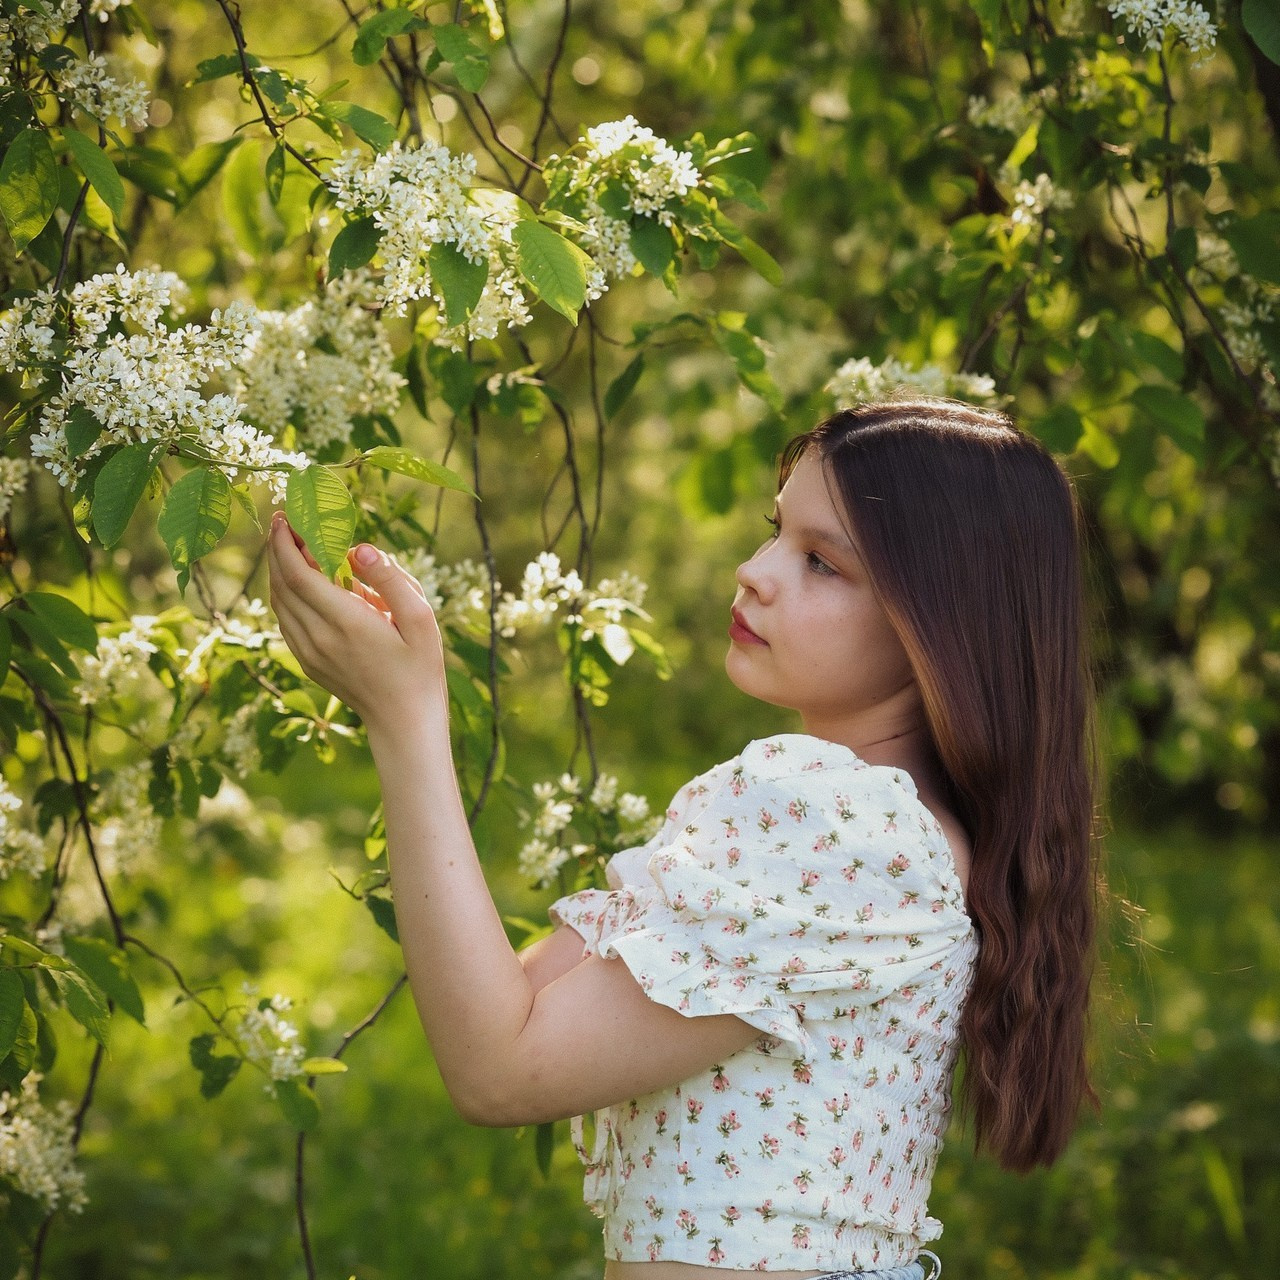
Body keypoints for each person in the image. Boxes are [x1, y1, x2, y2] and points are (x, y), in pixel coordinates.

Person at [266, 397, 1100, 1280]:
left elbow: (498, 1071)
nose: (754, 572)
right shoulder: (862, 831)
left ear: (940, 622)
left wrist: (405, 715)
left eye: (821, 563)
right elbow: (507, 1011)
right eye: (776, 532)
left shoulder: (842, 830)